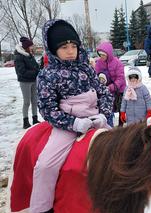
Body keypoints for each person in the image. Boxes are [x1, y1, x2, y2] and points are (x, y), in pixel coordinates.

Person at [31, 19, 113, 213]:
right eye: (64, 47)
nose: (70, 50)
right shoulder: (47, 74)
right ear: (53, 49)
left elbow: (104, 93)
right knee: (45, 166)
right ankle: (42, 208)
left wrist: (104, 115)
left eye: (73, 46)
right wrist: (74, 123)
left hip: (95, 120)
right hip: (68, 126)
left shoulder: (86, 68)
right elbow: (47, 108)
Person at [95, 41, 126, 127]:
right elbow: (95, 75)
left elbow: (121, 78)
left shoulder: (117, 63)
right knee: (108, 109)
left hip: (119, 89)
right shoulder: (99, 63)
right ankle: (109, 124)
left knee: (120, 108)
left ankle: (121, 125)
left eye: (103, 55)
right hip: (106, 89)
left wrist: (113, 86)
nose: (102, 57)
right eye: (100, 55)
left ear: (108, 54)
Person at [14, 36, 40, 129]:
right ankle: (25, 121)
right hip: (25, 82)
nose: (32, 47)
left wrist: (39, 69)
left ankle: (35, 119)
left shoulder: (30, 55)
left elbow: (36, 67)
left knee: (34, 101)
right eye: (30, 46)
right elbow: (21, 71)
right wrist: (35, 72)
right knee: (27, 102)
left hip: (33, 80)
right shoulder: (19, 56)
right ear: (26, 47)